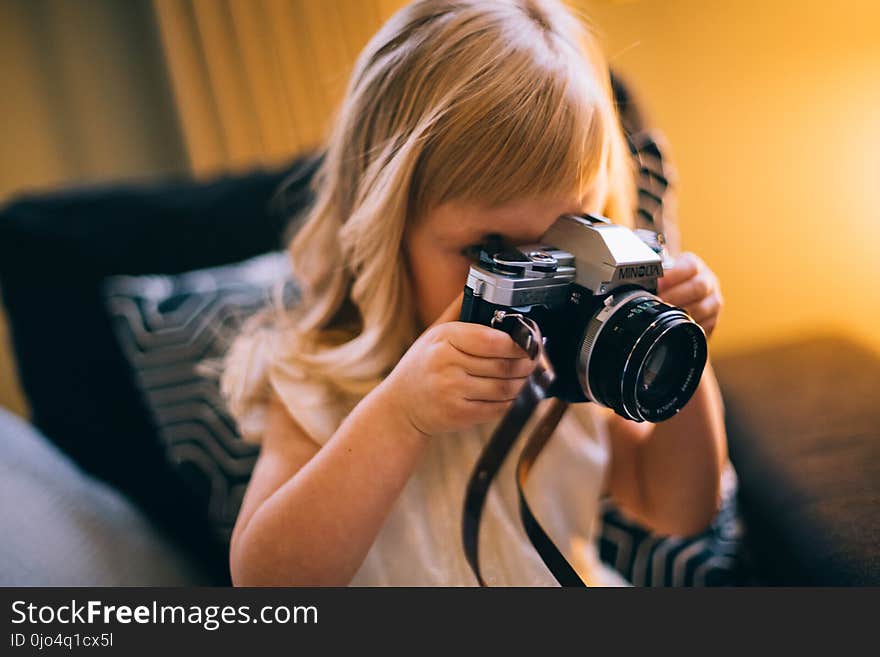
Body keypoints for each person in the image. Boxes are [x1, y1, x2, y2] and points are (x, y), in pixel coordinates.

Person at [220, 0, 727, 586]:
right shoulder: (325, 380)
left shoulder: (574, 369)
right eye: (491, 249)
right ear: (388, 230)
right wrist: (399, 416)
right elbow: (266, 585)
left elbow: (679, 511)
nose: (534, 288)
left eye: (568, 234)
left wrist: (679, 353)